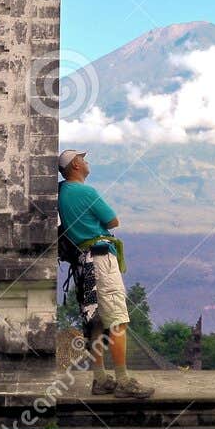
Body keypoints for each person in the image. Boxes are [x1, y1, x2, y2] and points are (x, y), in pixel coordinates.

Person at [57, 149, 154, 398]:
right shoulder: (86, 191)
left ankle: (100, 379)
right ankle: (123, 381)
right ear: (76, 165)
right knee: (117, 319)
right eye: (83, 158)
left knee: (95, 321)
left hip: (82, 262)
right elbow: (113, 221)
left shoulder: (61, 192)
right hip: (100, 259)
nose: (86, 161)